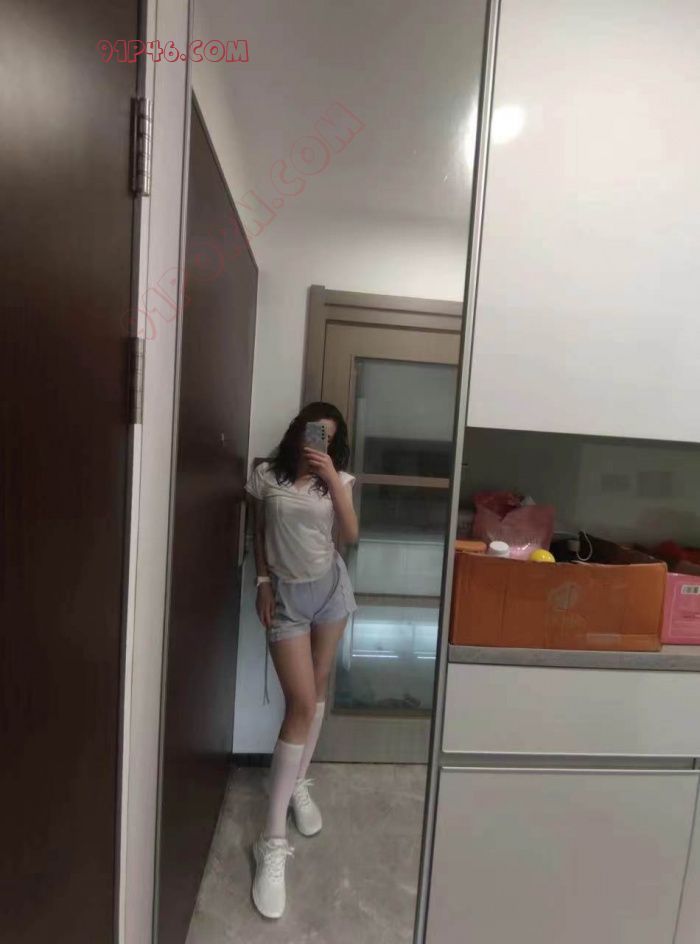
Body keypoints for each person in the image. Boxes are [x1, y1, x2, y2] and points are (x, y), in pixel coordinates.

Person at [244, 401, 359, 919]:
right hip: (287, 597)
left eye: (329, 438)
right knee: (300, 704)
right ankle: (271, 842)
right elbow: (257, 531)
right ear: (298, 431)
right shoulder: (266, 476)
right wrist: (262, 581)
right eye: (315, 432)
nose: (320, 443)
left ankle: (298, 784)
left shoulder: (338, 481)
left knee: (319, 685)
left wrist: (332, 478)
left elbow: (349, 537)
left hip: (331, 591)